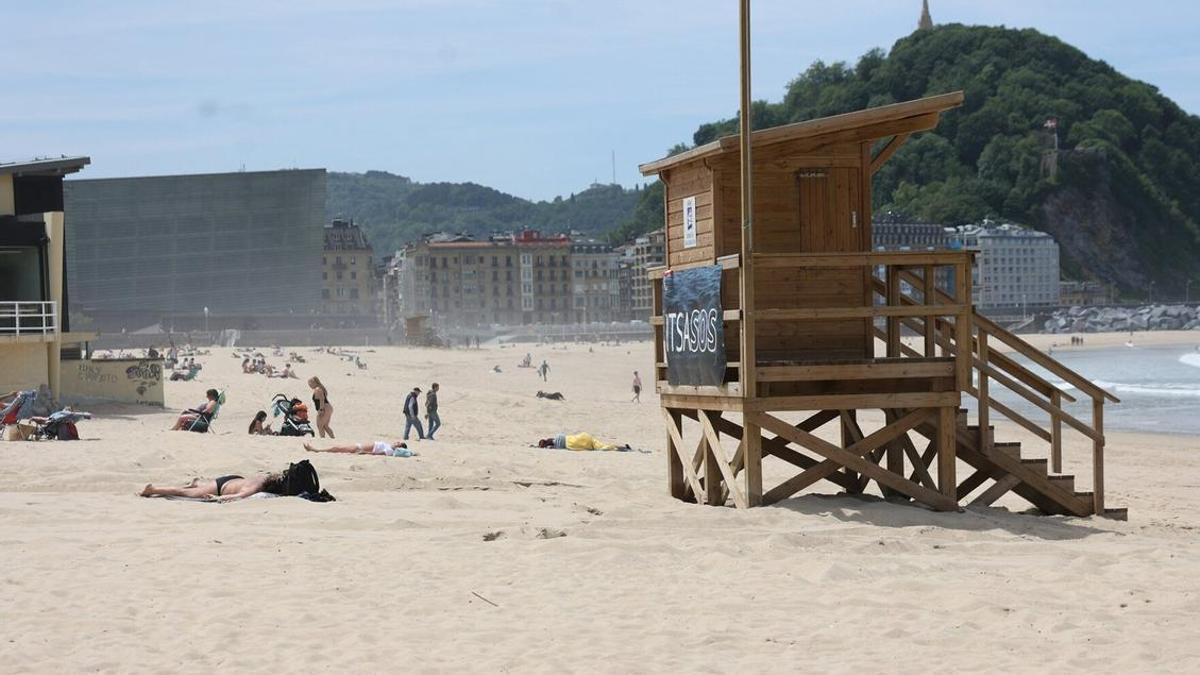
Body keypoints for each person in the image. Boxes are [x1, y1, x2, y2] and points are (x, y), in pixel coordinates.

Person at [139, 472, 286, 502]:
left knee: (198, 489)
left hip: (232, 479)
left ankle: (196, 485)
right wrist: (218, 498)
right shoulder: (255, 488)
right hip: (221, 487)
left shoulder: (263, 477)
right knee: (182, 493)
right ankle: (152, 490)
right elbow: (236, 496)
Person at [304, 440, 415, 457]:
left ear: (399, 447)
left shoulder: (390, 450)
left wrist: (363, 452)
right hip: (359, 446)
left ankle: (315, 450)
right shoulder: (389, 446)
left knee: (336, 448)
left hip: (359, 448)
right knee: (337, 448)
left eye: (398, 443)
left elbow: (377, 454)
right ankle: (315, 450)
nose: (396, 442)